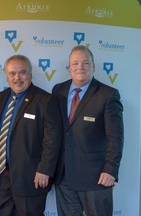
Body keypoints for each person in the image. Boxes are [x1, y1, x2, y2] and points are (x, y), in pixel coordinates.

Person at [52, 45, 124, 216]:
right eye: (75, 63)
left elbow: (116, 137)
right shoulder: (58, 90)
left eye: (86, 63)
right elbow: (54, 130)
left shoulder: (108, 94)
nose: (80, 67)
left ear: (94, 67)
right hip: (63, 175)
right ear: (69, 68)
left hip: (96, 176)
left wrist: (111, 169)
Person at [0, 55, 62, 215]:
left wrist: (45, 170)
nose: (17, 78)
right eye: (12, 73)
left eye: (22, 72)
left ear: (30, 74)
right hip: (2, 174)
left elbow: (53, 140)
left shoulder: (45, 100)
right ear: (7, 76)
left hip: (31, 176)